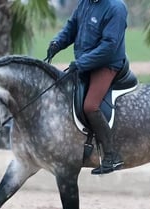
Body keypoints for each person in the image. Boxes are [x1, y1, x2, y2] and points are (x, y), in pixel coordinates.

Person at [46, 0, 128, 175]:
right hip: (86, 62)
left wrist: (82, 63)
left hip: (107, 63)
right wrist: (57, 43)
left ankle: (112, 156)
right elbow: (71, 27)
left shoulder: (116, 8)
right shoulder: (86, 3)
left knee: (90, 106)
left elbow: (109, 46)